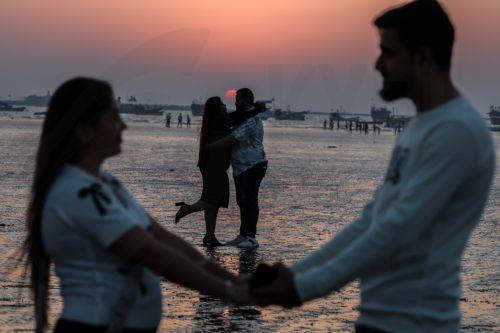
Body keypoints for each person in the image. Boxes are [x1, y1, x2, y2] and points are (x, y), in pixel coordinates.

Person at [248, 1, 495, 333]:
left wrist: (304, 289)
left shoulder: (456, 131)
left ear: (421, 57)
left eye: (389, 53)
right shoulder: (419, 127)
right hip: (380, 319)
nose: (378, 64)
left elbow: (397, 228)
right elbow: (372, 219)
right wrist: (296, 273)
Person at [21, 77, 252, 333]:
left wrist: (237, 283)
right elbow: (152, 252)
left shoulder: (107, 184)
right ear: (84, 130)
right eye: (113, 118)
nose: (123, 125)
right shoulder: (78, 191)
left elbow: (165, 239)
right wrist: (231, 292)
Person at [174, 96, 266, 246]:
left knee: (213, 200)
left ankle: (210, 236)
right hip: (214, 167)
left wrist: (253, 108)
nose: (225, 106)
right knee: (212, 200)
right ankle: (188, 209)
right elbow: (238, 117)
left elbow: (237, 116)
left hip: (212, 166)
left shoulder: (216, 121)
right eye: (222, 104)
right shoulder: (220, 121)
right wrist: (255, 109)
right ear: (216, 109)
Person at [208, 88, 267, 249]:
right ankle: (243, 235)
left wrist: (210, 146)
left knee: (250, 200)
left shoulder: (251, 120)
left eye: (238, 99)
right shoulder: (243, 116)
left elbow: (233, 138)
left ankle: (251, 237)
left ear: (247, 101)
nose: (235, 103)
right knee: (242, 201)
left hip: (253, 165)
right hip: (242, 167)